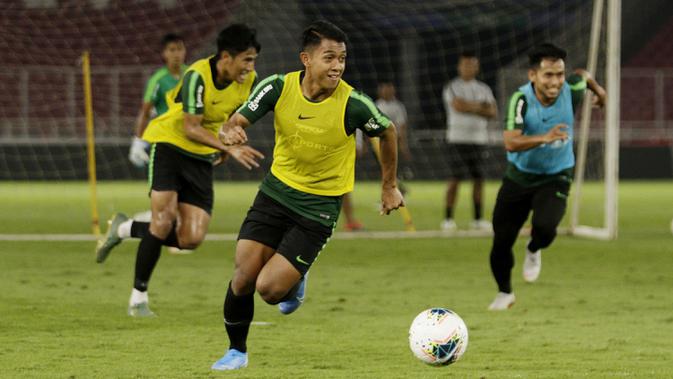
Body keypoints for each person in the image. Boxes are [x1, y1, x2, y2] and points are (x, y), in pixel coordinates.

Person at [211, 20, 404, 370]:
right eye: (329, 58)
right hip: (275, 194)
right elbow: (234, 121)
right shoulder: (277, 88)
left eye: (342, 59)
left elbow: (388, 132)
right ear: (306, 59)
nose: (337, 66)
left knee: (270, 290)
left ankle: (295, 278)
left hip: (318, 207)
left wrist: (389, 185)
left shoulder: (353, 104)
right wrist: (229, 133)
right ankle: (236, 351)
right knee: (243, 275)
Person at [95, 24, 265, 318]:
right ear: (226, 57)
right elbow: (190, 127)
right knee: (162, 222)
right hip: (170, 146)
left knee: (191, 239)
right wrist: (227, 148)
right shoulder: (197, 75)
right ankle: (138, 299)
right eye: (246, 60)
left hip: (201, 156)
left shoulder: (249, 80)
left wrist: (229, 135)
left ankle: (123, 228)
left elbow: (232, 119)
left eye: (253, 61)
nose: (251, 67)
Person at [487, 43, 606, 310]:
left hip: (556, 175)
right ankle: (505, 292)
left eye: (559, 74)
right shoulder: (520, 100)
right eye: (548, 75)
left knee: (546, 228)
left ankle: (533, 248)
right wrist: (546, 137)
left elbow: (583, 75)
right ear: (533, 76)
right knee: (501, 241)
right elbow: (511, 142)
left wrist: (600, 91)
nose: (556, 81)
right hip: (519, 177)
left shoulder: (571, 89)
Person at [441, 51, 497, 232]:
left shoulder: (484, 88)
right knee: (454, 180)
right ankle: (448, 219)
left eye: (472, 64)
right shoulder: (452, 86)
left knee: (479, 180)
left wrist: (470, 106)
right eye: (465, 64)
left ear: (477, 67)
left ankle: (478, 219)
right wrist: (480, 106)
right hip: (457, 140)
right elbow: (458, 106)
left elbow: (493, 112)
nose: (468, 68)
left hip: (479, 140)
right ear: (459, 66)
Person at [128, 33, 188, 168]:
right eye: (172, 50)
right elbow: (145, 112)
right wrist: (137, 142)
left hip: (190, 138)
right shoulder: (157, 80)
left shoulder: (193, 75)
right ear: (164, 53)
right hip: (166, 141)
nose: (176, 54)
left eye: (180, 49)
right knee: (163, 187)